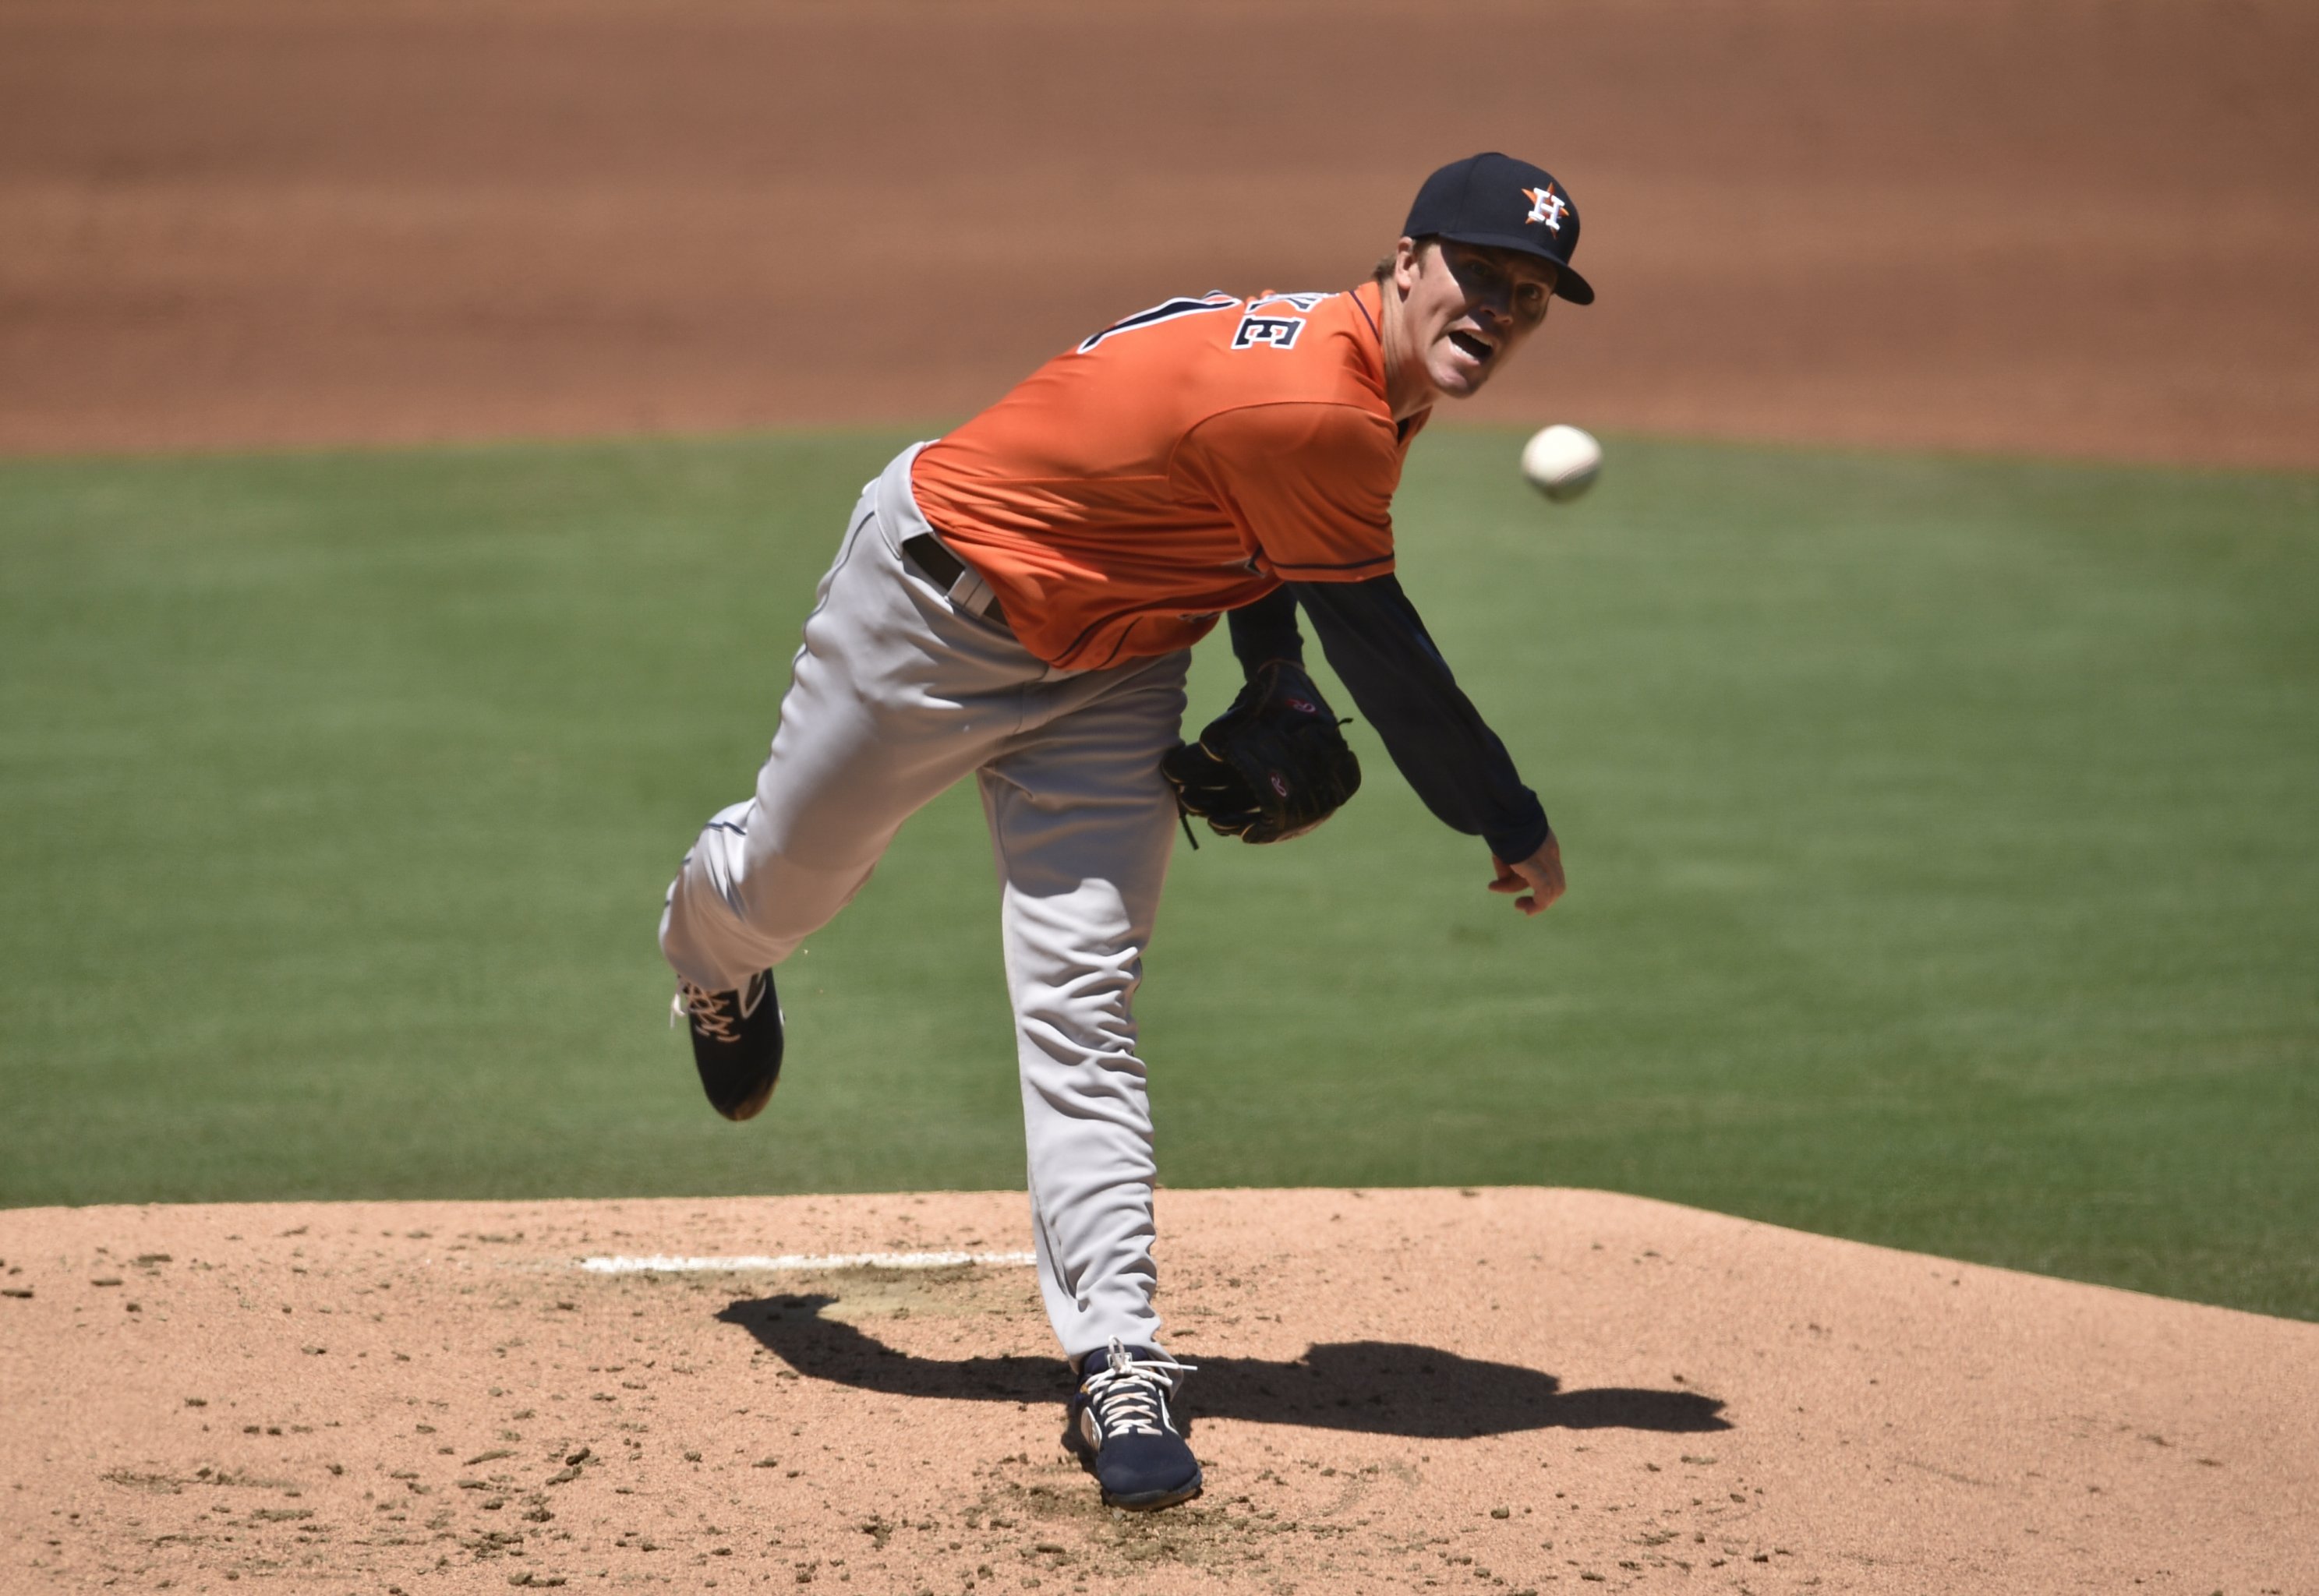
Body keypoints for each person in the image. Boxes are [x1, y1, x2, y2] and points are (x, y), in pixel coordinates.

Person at [658, 151, 1592, 1510]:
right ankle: (710, 961)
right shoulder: (1315, 399)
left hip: (1118, 665)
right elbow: (1389, 662)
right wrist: (1506, 817)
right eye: (1480, 276)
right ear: (1406, 259)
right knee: (783, 886)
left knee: (1083, 997)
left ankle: (1119, 1360)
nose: (1501, 311)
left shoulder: (1357, 372)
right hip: (928, 620)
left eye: (1531, 296)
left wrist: (1270, 675)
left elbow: (1260, 531)